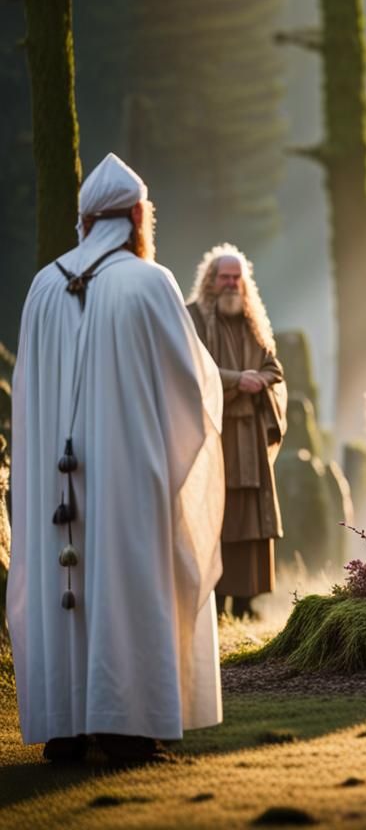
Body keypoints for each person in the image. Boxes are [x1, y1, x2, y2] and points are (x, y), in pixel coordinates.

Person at [9, 154, 224, 763]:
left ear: (84, 222)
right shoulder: (150, 282)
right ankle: (126, 730)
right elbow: (190, 390)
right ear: (136, 218)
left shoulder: (42, 287)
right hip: (128, 476)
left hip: (53, 484)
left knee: (62, 587)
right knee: (127, 585)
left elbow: (25, 394)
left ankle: (64, 728)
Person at [187, 245, 286, 619]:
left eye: (236, 278)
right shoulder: (192, 318)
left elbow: (274, 368)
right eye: (224, 277)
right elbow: (188, 368)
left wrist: (259, 379)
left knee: (250, 519)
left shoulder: (253, 321)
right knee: (216, 515)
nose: (230, 284)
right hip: (213, 434)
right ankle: (216, 602)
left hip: (250, 441)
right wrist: (235, 380)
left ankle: (246, 601)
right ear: (210, 281)